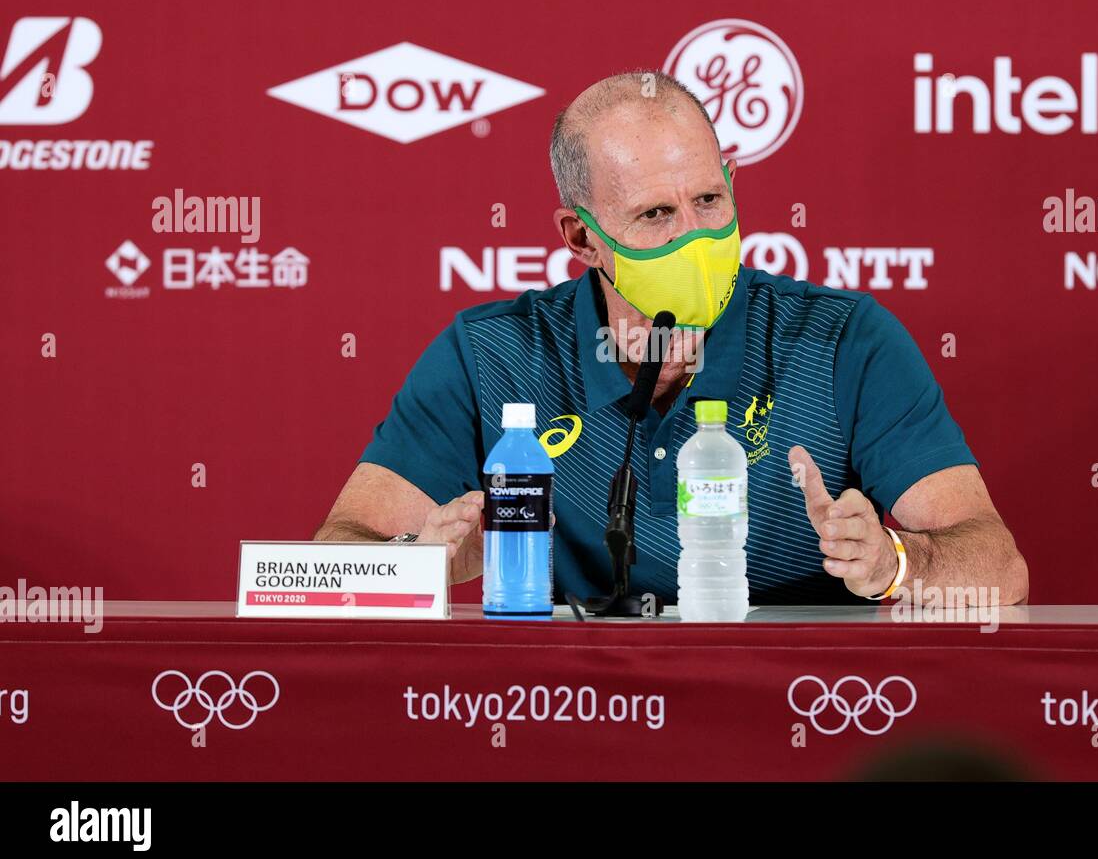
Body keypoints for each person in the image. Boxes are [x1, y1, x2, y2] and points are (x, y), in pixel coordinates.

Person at [315, 71, 1028, 606]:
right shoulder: (492, 355)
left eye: (710, 200)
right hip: (578, 716)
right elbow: (327, 565)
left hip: (801, 718)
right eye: (656, 214)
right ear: (581, 239)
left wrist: (896, 563)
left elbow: (1000, 568)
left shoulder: (844, 341)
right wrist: (422, 560)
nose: (697, 238)